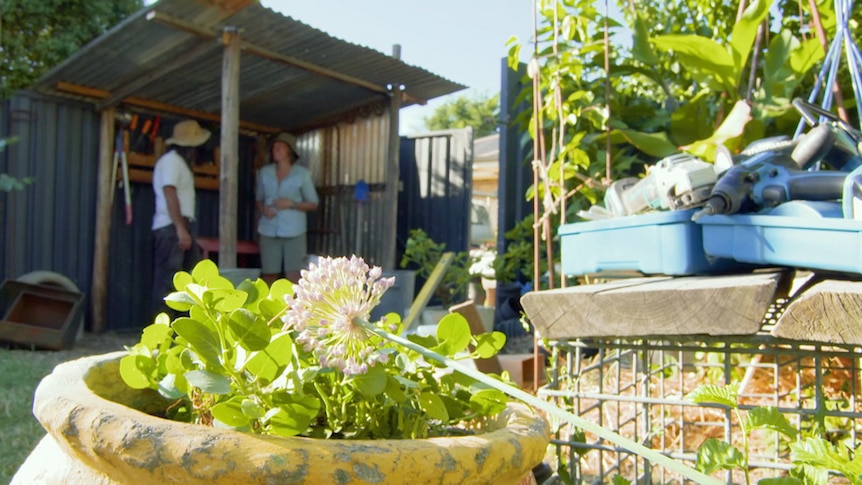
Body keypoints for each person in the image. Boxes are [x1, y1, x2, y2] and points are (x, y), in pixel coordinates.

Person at [151, 119, 210, 317]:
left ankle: (175, 333)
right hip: (172, 227)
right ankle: (162, 335)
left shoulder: (175, 162)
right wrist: (180, 229)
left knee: (183, 281)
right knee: (169, 282)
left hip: (176, 226)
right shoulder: (172, 162)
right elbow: (170, 192)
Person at [256, 132, 319, 284]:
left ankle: (294, 307)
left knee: (295, 276)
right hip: (268, 229)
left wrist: (291, 204)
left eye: (280, 147)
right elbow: (258, 199)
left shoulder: (302, 174)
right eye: (274, 147)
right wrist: (263, 210)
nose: (275, 150)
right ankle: (266, 306)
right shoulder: (264, 172)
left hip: (294, 231)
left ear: (289, 151)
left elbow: (313, 203)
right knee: (268, 274)